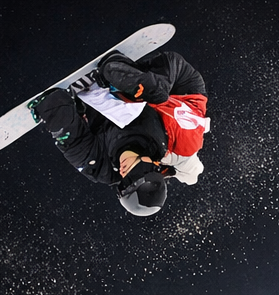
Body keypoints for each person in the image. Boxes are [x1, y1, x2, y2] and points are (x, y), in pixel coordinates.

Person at [29, 49, 209, 216]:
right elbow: (178, 67)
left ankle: (87, 96)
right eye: (132, 174)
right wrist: (131, 77)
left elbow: (73, 143)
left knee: (70, 128)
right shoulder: (170, 140)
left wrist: (53, 108)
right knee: (154, 92)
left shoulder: (102, 168)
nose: (123, 172)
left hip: (96, 105)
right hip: (177, 87)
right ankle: (116, 68)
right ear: (149, 165)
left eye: (123, 181)